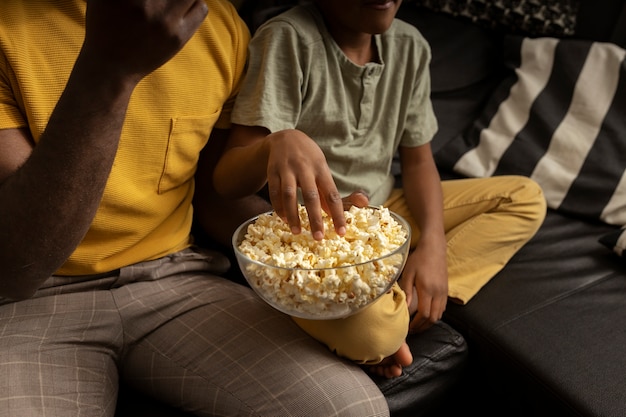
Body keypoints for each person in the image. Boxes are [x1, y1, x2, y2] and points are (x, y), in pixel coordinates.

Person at [0, 1, 413, 416]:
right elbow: (20, 264)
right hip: (34, 298)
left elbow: (212, 197)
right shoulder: (10, 25)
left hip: (175, 278)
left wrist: (327, 264)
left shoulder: (218, 24)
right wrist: (112, 68)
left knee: (351, 409)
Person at [213, 0, 547, 378]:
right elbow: (226, 181)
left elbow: (419, 162)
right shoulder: (287, 39)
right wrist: (275, 144)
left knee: (524, 198)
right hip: (314, 236)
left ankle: (402, 293)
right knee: (376, 335)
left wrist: (435, 246)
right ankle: (387, 311)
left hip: (384, 213)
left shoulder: (411, 46)